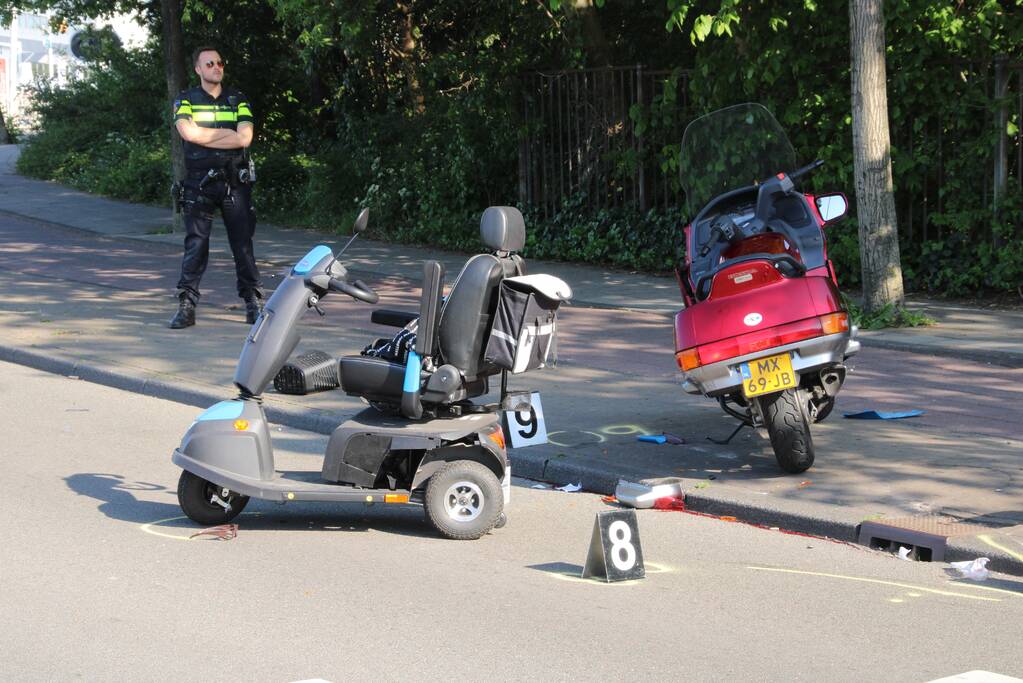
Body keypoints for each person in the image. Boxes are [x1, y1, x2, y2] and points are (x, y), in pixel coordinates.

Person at [169, 45, 263, 329]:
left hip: (234, 181)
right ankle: (186, 306)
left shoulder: (237, 99)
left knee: (243, 244)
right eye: (209, 64)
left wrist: (205, 136)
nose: (216, 67)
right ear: (198, 69)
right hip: (199, 182)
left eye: (219, 62)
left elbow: (245, 138)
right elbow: (187, 132)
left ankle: (253, 303)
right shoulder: (185, 99)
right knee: (196, 244)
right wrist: (225, 133)